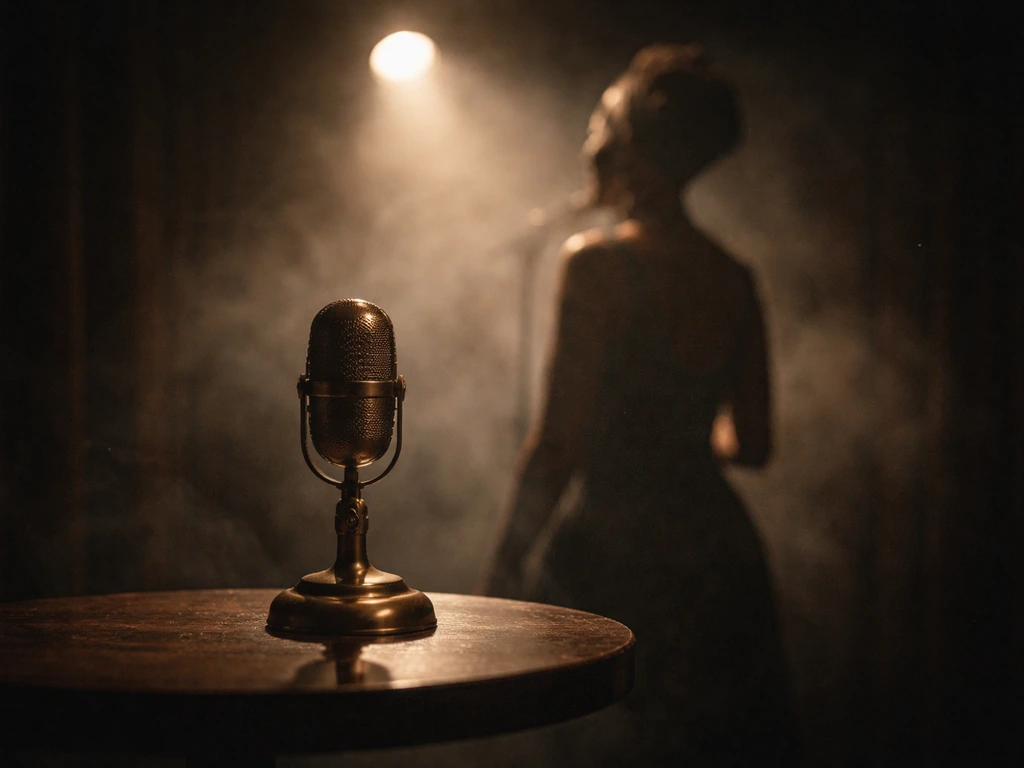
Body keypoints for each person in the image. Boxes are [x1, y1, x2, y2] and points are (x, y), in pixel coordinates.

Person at [484, 43, 798, 765]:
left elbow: (556, 447)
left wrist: (496, 585)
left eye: (599, 121)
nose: (588, 140)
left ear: (629, 144)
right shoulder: (735, 276)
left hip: (614, 552)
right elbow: (753, 444)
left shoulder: (595, 264)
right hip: (717, 556)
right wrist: (679, 436)